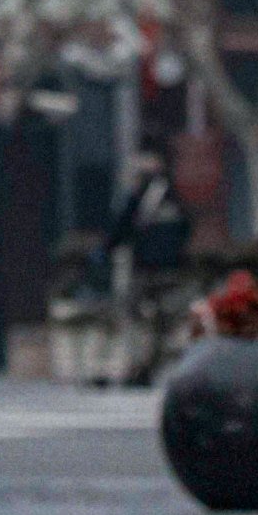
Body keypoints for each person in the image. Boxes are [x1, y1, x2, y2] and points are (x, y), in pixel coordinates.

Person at [108, 150, 193, 382]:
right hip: (168, 269)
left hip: (150, 270)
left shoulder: (140, 198)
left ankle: (142, 367)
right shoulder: (173, 197)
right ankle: (145, 366)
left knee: (141, 319)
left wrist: (107, 250)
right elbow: (186, 230)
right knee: (160, 323)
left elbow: (120, 230)